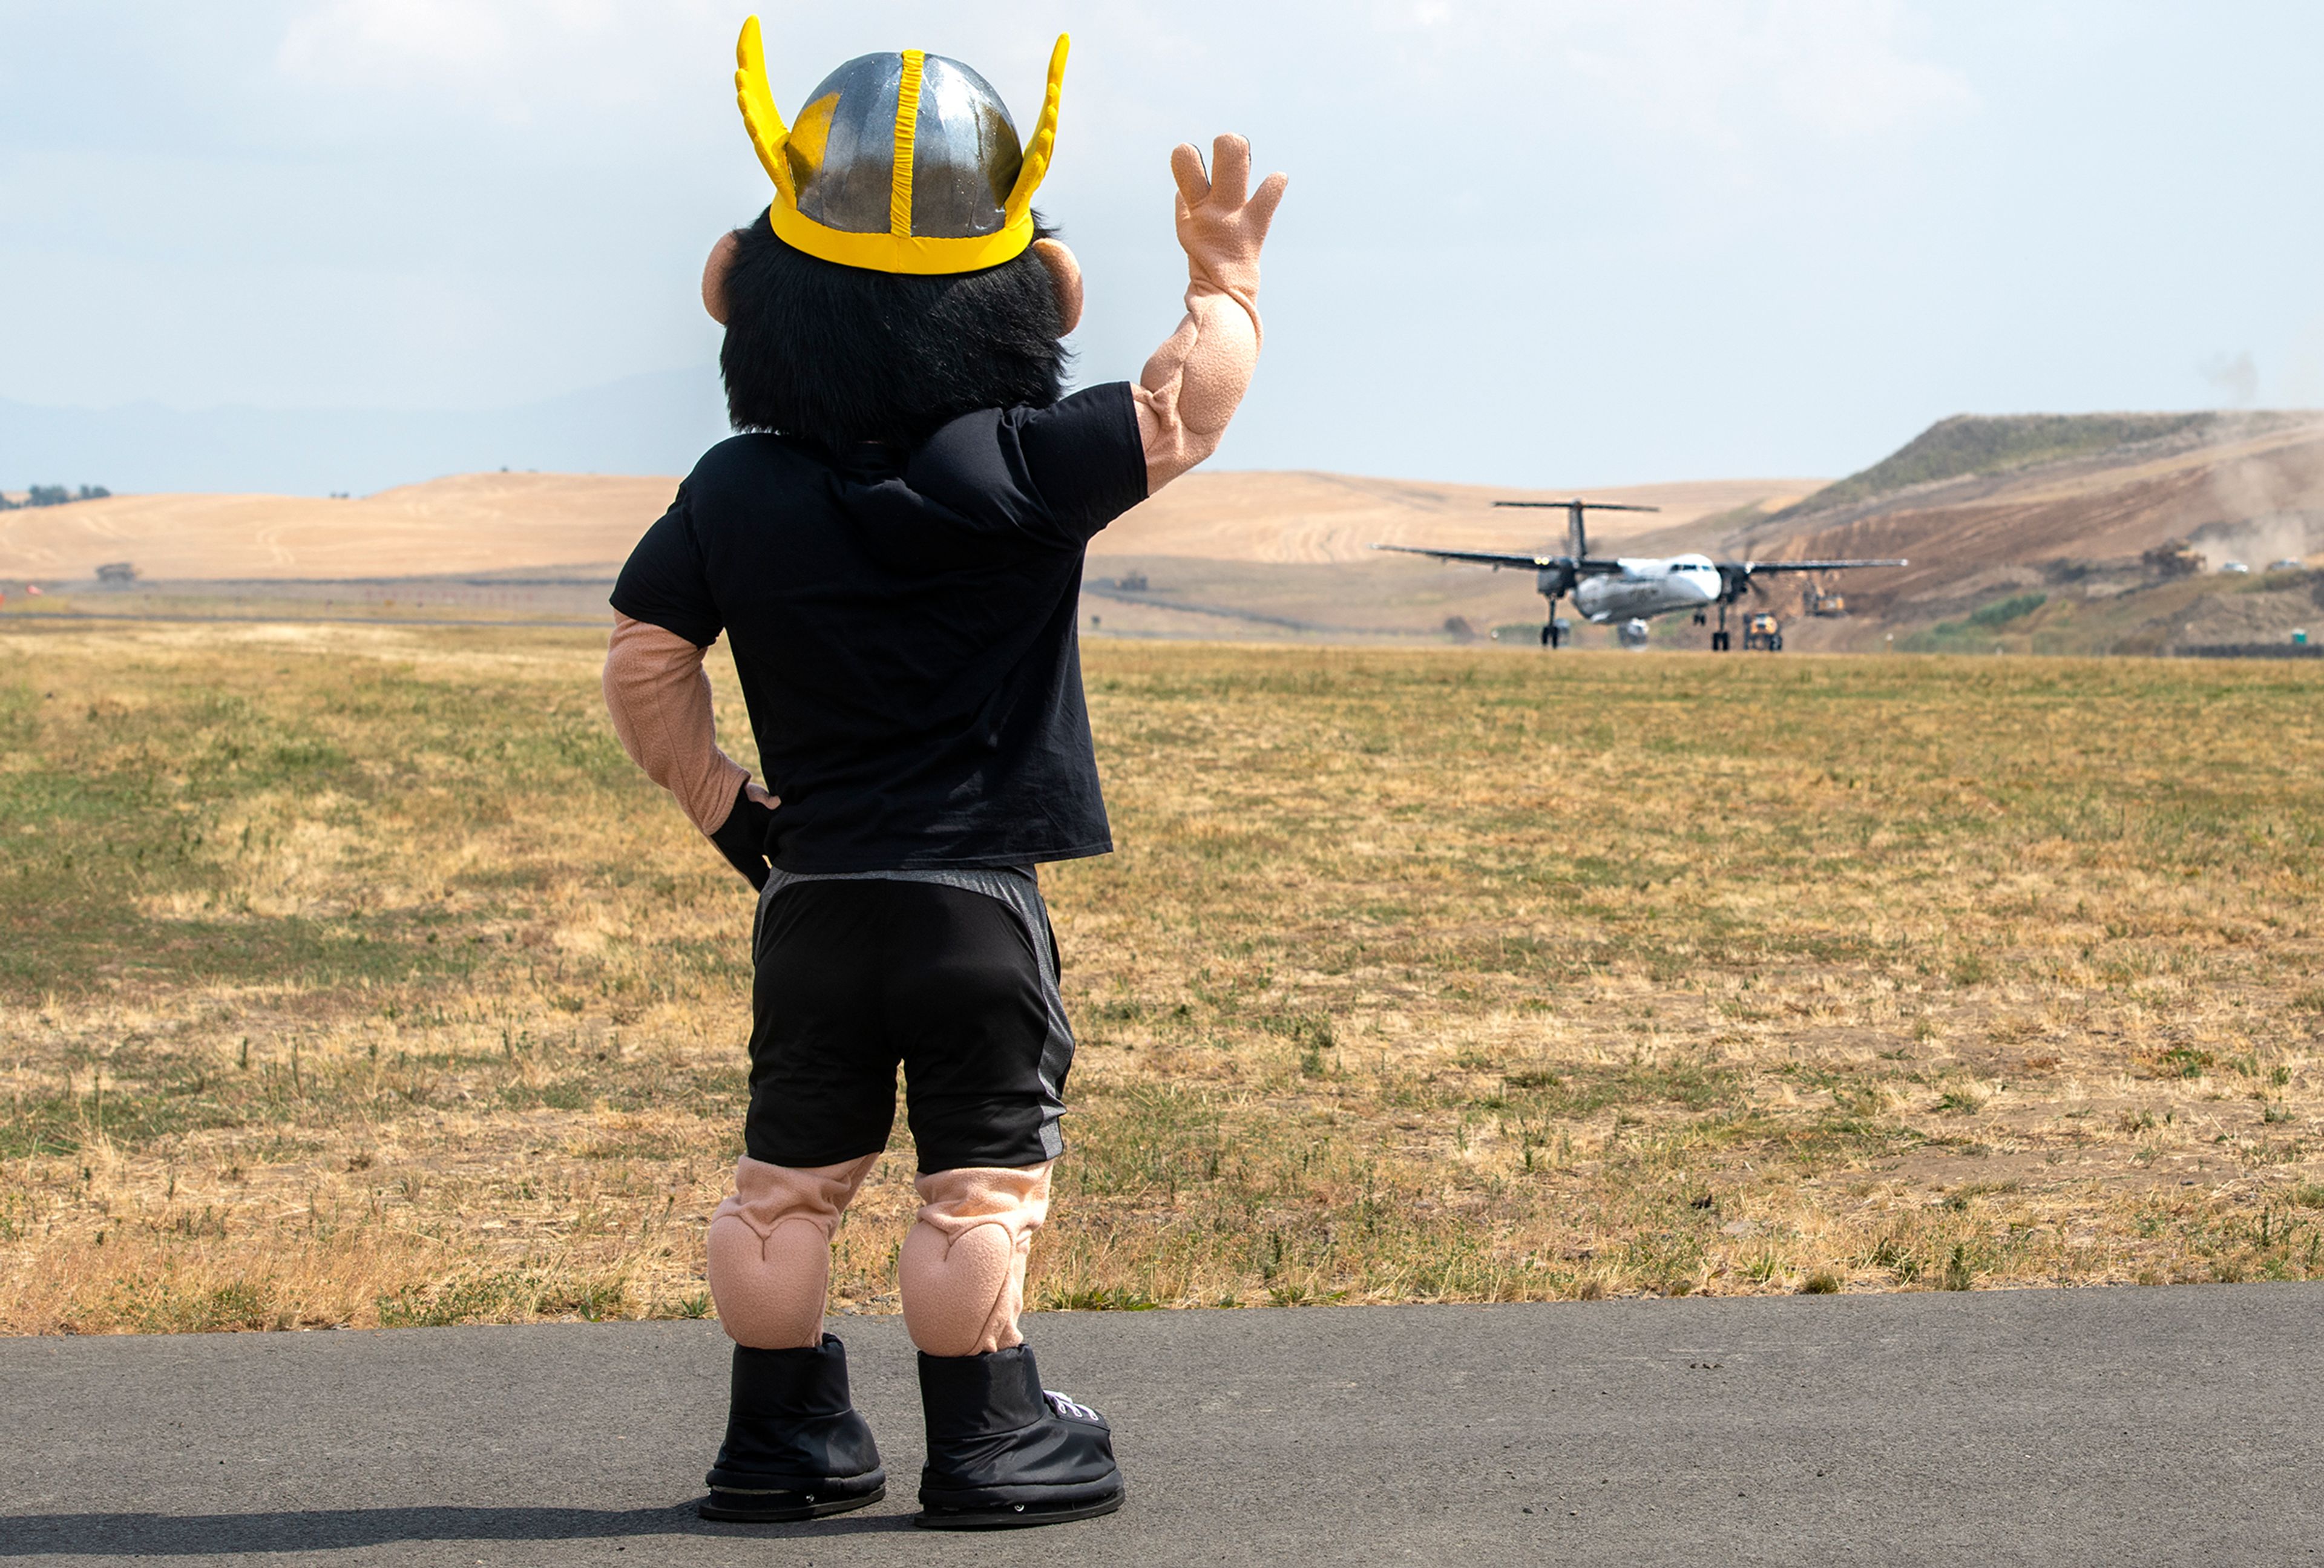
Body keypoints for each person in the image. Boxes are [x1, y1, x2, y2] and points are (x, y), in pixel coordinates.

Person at [602, 16, 1284, 1530]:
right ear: (1036, 294)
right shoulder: (1025, 463)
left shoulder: (735, 487)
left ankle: (777, 1445)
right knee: (977, 1182)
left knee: (787, 1179)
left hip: (815, 898)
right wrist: (1224, 279)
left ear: (744, 290)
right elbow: (1190, 402)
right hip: (976, 899)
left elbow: (647, 665)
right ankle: (988, 1441)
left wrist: (731, 811)